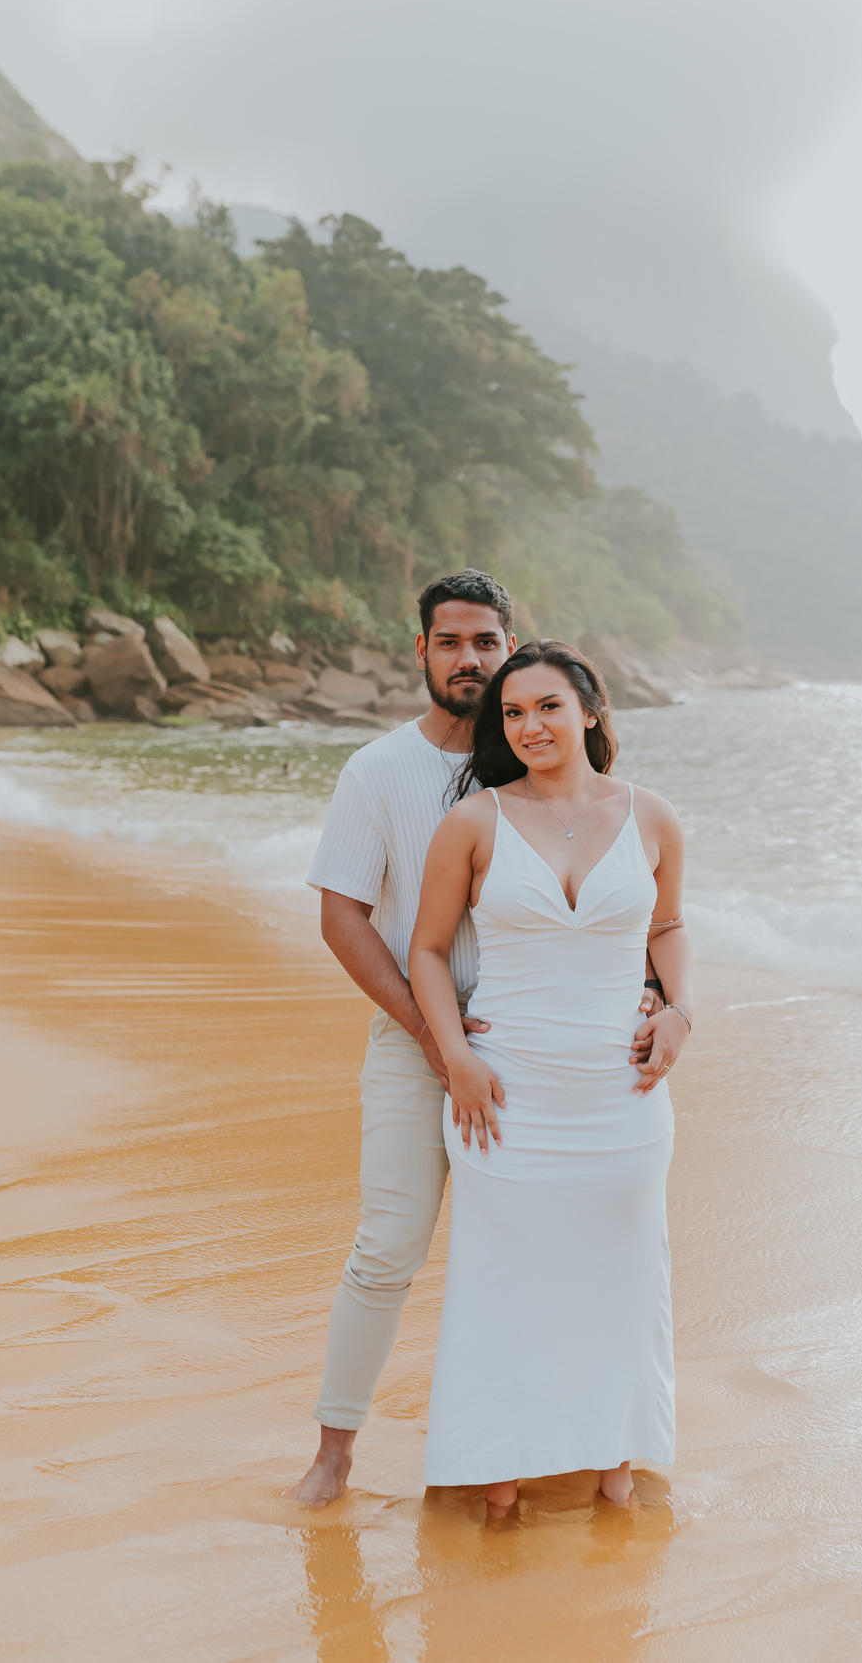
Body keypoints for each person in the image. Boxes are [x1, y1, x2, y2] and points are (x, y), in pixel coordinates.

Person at [286, 574, 667, 1509]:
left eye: (486, 642)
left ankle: (558, 1448)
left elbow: (621, 908)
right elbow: (344, 918)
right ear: (421, 651)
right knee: (389, 1247)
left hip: (543, 1062)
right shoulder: (379, 771)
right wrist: (439, 1045)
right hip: (421, 1045)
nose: (468, 657)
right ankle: (335, 1449)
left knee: (552, 1251)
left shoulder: (533, 765)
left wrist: (659, 1000)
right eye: (449, 642)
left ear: (513, 654)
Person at [408, 638, 693, 1510]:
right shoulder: (475, 820)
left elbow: (669, 928)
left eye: (547, 707)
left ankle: (615, 1460)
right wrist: (455, 1055)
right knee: (507, 1284)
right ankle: (499, 1476)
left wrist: (680, 1008)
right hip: (507, 1096)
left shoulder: (652, 817)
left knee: (621, 1277)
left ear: (590, 711)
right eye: (513, 713)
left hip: (624, 1096)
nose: (529, 725)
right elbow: (424, 948)